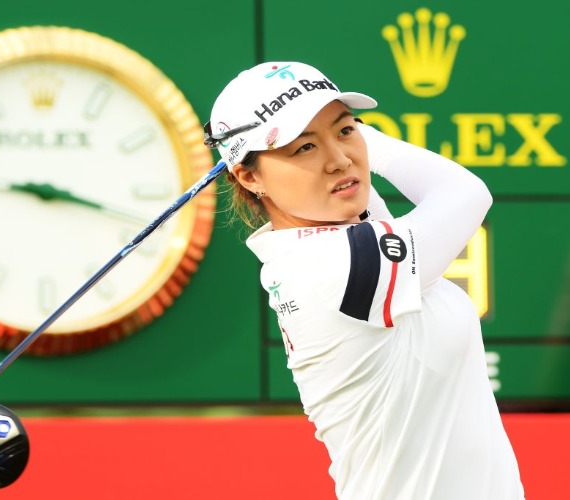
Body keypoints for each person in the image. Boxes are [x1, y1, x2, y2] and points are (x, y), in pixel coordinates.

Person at [204, 61, 525, 499]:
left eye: (345, 131)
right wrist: (354, 135)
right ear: (248, 175)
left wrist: (330, 130)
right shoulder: (335, 266)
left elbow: (358, 188)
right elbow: (466, 194)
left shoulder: (329, 237)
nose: (338, 161)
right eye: (303, 148)